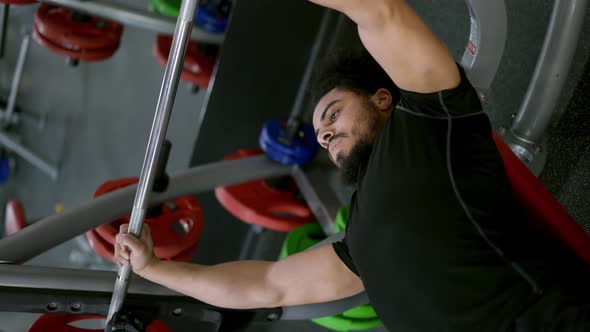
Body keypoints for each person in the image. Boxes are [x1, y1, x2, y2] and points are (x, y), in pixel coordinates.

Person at [115, 0, 590, 330]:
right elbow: (264, 286)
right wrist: (156, 269)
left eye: (334, 114)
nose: (322, 135)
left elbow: (378, 14)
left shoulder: (431, 120)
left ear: (383, 99)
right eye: (321, 131)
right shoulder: (355, 245)